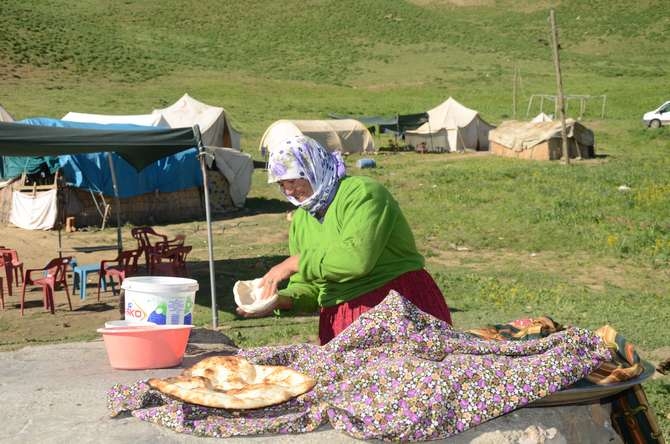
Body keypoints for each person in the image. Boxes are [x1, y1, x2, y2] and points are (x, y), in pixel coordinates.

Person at [236, 135, 452, 344]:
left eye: (292, 180)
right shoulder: (302, 220)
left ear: (312, 168)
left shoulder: (363, 194)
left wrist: (293, 262)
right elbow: (311, 286)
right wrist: (278, 301)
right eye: (281, 184)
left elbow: (356, 260)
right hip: (343, 321)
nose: (289, 191)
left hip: (398, 308)